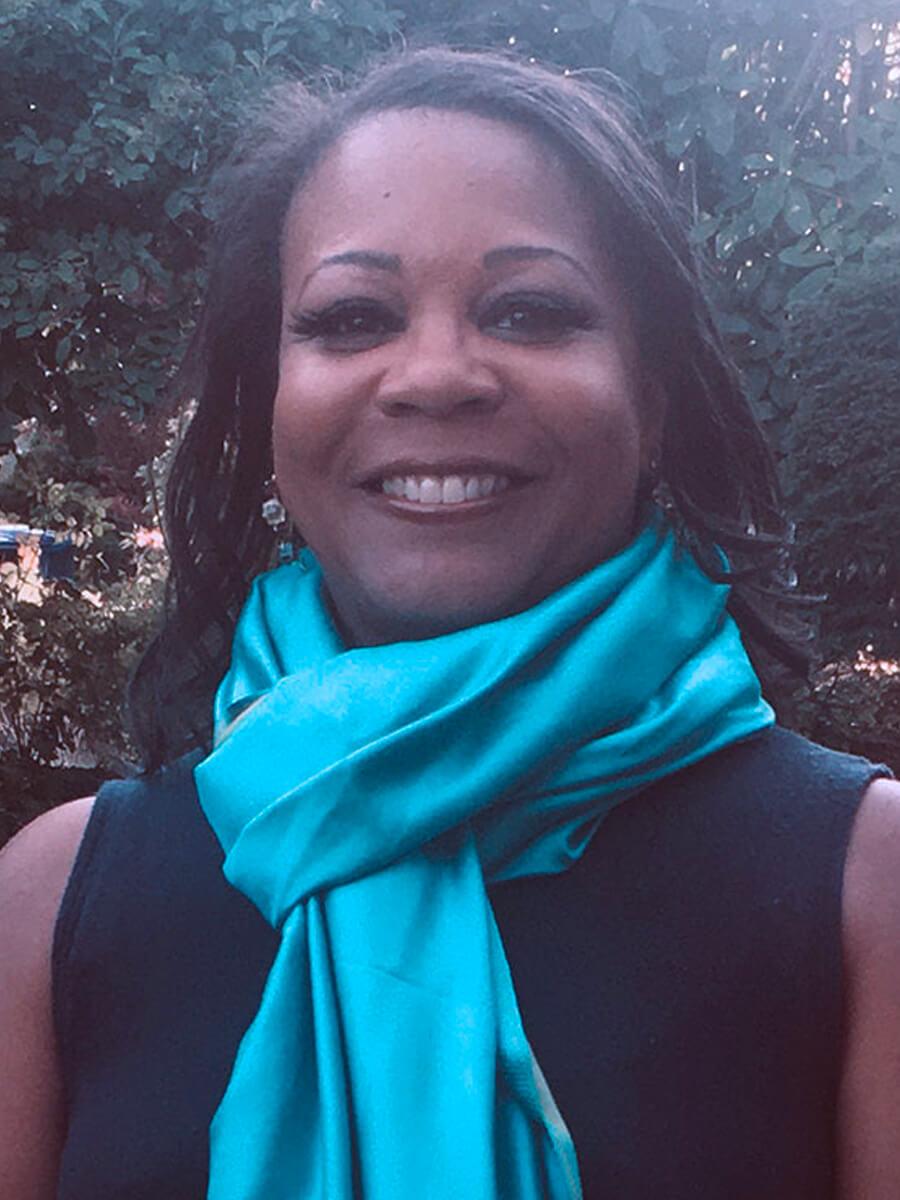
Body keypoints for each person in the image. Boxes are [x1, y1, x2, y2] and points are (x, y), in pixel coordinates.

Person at [1, 46, 898, 1200]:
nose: (436, 375)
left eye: (529, 311)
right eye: (352, 317)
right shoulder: (50, 908)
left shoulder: (866, 894)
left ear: (654, 401)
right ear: (268, 405)